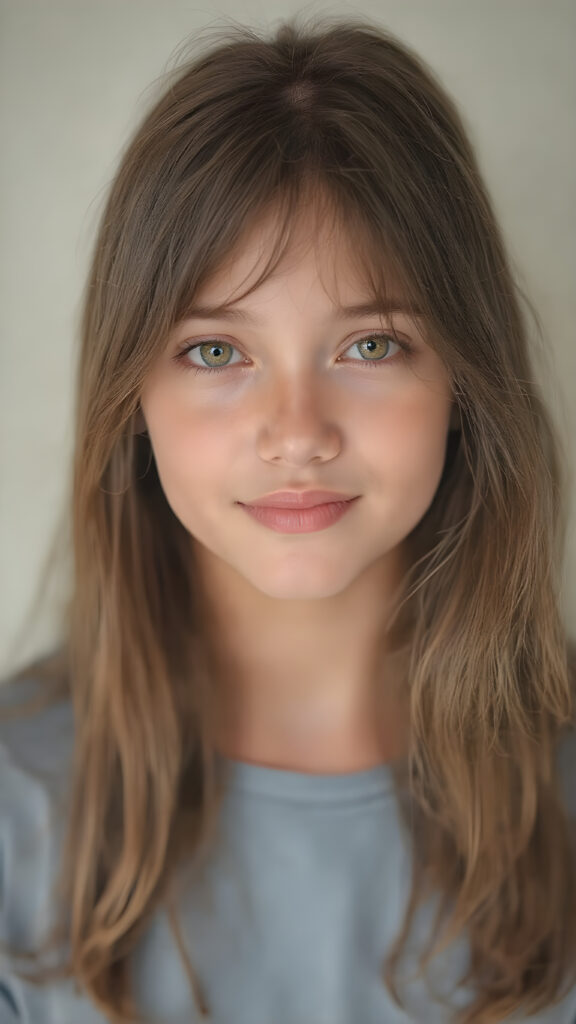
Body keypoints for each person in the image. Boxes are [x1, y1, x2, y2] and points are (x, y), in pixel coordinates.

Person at [1, 13, 575, 1024]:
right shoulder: (15, 810)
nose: (297, 433)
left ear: (464, 377)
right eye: (218, 352)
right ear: (130, 396)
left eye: (370, 345)